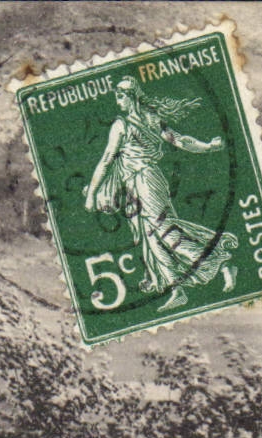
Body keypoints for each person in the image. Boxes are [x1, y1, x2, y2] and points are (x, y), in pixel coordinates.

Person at [84, 75, 237, 312]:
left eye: (120, 95)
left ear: (131, 97)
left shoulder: (122, 125)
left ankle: (220, 262)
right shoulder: (152, 119)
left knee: (166, 233)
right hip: (136, 185)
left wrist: (91, 193)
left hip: (145, 182)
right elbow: (181, 141)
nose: (117, 100)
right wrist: (207, 146)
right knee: (150, 238)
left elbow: (106, 160)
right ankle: (176, 290)